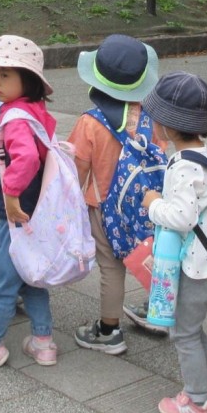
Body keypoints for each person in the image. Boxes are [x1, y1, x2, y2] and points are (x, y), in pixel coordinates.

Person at [139, 71, 207, 413]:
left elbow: (181, 217)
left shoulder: (183, 167)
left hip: (197, 269)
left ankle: (197, 401)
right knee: (192, 328)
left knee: (184, 332)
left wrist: (151, 202)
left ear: (168, 125)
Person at [68, 34, 164, 353]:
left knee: (111, 266)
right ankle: (158, 312)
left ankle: (108, 331)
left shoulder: (90, 123)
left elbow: (77, 170)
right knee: (155, 256)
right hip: (149, 203)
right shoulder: (153, 119)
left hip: (103, 208)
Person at [0, 35, 58, 367]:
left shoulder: (16, 118)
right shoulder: (35, 110)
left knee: (3, 281)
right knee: (32, 278)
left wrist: (9, 196)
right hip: (35, 211)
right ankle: (43, 341)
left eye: (5, 75)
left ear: (29, 79)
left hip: (9, 213)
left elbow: (26, 161)